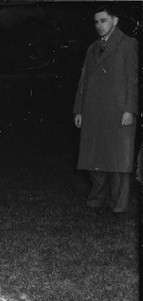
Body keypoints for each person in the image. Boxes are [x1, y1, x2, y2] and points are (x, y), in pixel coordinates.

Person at [73, 5, 139, 213]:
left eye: (104, 21)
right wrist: (79, 110)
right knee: (94, 158)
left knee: (118, 160)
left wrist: (130, 109)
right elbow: (83, 82)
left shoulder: (128, 44)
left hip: (119, 112)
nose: (99, 26)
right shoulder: (92, 48)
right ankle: (97, 198)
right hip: (93, 111)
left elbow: (133, 80)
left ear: (115, 21)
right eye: (96, 22)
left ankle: (118, 204)